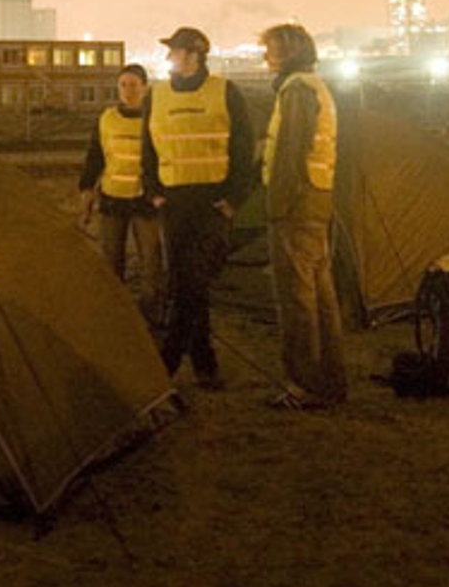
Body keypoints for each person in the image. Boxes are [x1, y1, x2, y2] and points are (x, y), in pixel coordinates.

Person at [139, 26, 257, 389]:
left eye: (175, 50)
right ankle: (205, 364)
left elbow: (243, 147)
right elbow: (149, 147)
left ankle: (167, 363)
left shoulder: (225, 91)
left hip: (211, 203)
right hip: (174, 202)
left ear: (194, 54)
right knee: (188, 283)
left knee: (191, 282)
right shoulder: (156, 95)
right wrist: (154, 192)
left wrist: (235, 198)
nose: (170, 56)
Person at [258, 23, 348, 409]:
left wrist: (277, 208)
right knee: (321, 295)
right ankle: (330, 380)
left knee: (297, 297)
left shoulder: (296, 91)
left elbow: (290, 155)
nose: (265, 57)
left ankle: (304, 385)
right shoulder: (316, 87)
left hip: (296, 205)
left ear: (289, 53)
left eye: (271, 50)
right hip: (317, 199)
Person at [77, 63, 164, 328]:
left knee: (150, 262)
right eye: (123, 85)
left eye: (134, 85)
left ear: (145, 88)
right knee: (111, 262)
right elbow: (95, 155)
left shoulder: (156, 119)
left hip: (144, 202)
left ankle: (151, 318)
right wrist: (87, 189)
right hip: (113, 201)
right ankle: (116, 316)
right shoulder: (107, 119)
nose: (128, 90)